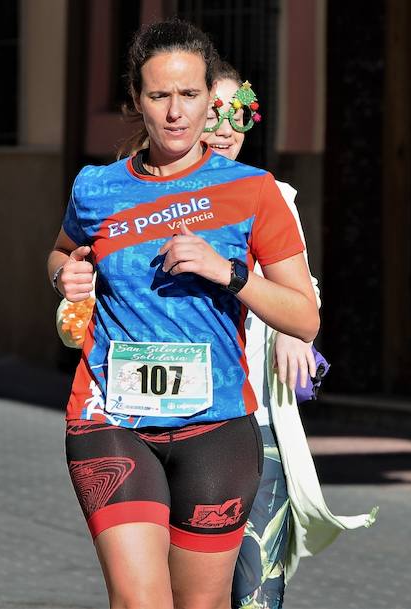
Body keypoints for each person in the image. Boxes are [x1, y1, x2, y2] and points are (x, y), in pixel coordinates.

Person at [47, 19, 319, 609]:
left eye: (190, 95)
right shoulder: (96, 187)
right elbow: (64, 252)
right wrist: (61, 274)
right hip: (109, 417)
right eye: (159, 95)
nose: (175, 113)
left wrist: (229, 272)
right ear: (135, 101)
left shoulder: (253, 190)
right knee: (140, 601)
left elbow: (303, 318)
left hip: (216, 427)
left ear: (210, 100)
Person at [200, 63, 376, 609]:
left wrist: (296, 330)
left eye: (238, 114)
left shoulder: (271, 194)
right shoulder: (146, 196)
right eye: (213, 113)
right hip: (170, 423)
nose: (226, 128)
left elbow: (302, 287)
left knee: (257, 591)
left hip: (251, 420)